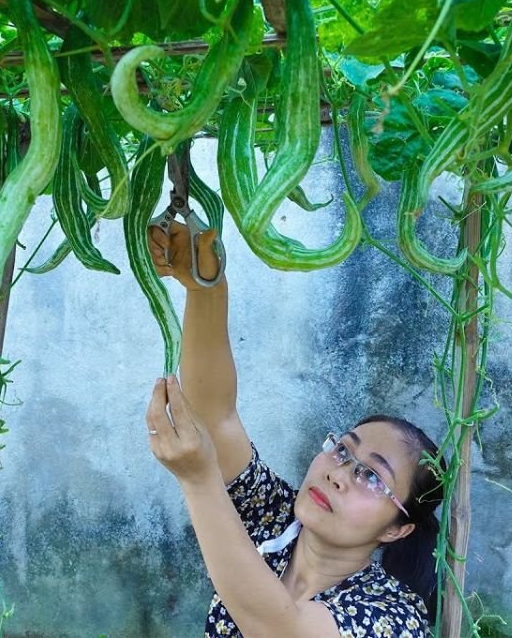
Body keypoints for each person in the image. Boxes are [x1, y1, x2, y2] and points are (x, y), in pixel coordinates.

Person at [144, 221, 443, 637]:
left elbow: (279, 627)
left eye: (371, 476)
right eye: (342, 451)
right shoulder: (276, 519)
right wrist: (204, 285)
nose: (338, 475)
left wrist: (199, 480)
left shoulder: (395, 617)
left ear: (397, 528)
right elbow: (216, 417)